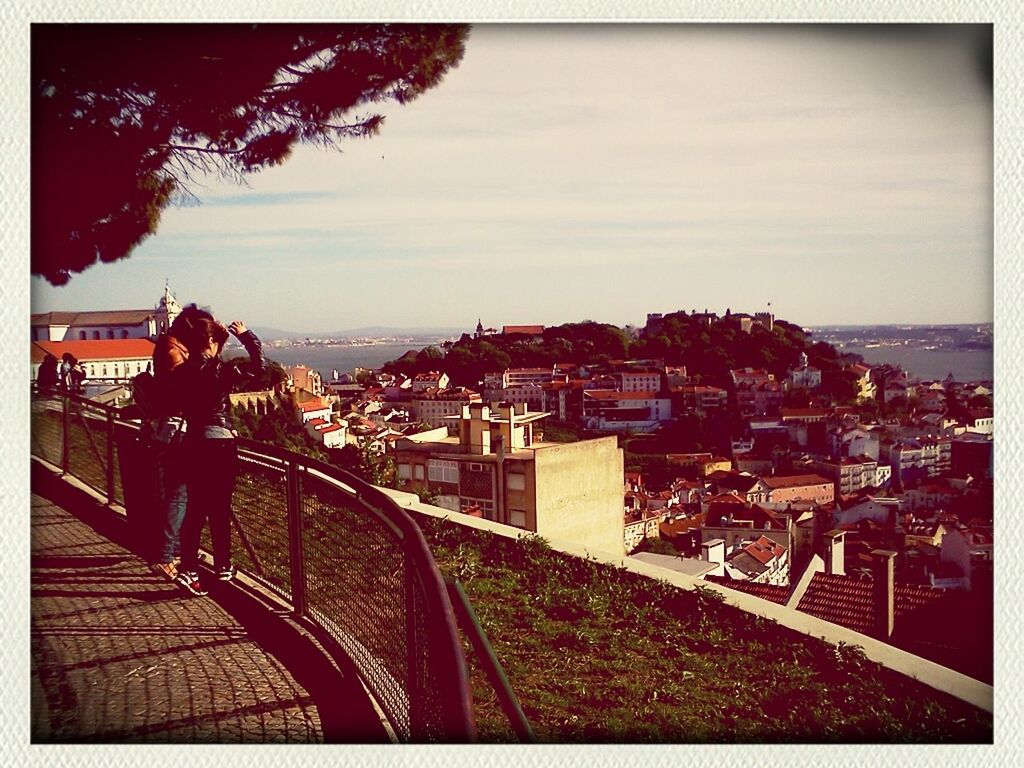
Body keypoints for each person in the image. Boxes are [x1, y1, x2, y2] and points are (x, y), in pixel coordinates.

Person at [174, 317, 264, 597]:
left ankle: (188, 569)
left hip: (192, 442)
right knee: (220, 508)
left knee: (195, 509)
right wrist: (246, 336)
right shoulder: (218, 371)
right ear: (212, 342)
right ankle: (223, 565)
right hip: (219, 444)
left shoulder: (183, 371)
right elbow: (260, 369)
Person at [144, 305, 215, 582]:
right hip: (177, 431)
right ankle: (165, 556)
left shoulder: (171, 346)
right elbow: (186, 387)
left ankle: (175, 550)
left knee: (182, 493)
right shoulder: (173, 351)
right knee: (179, 493)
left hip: (176, 428)